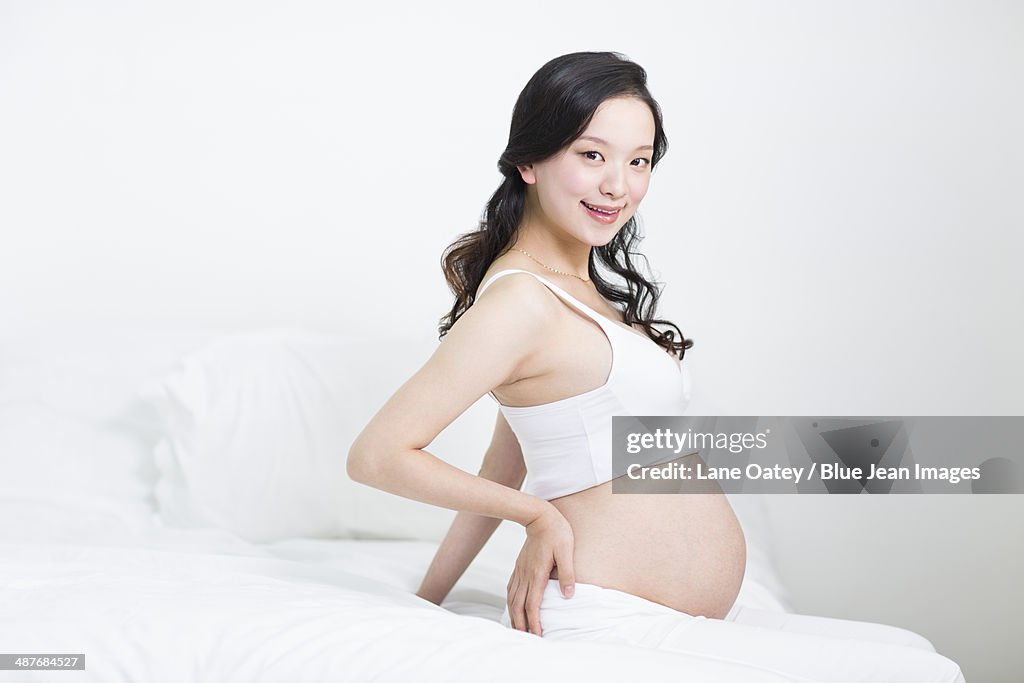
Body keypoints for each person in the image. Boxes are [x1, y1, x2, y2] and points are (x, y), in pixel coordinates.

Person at [347, 51, 966, 683]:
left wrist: (432, 595)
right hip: (608, 620)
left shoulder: (578, 291)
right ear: (528, 162)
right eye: (592, 155)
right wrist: (535, 514)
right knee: (924, 675)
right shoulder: (520, 302)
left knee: (913, 652)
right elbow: (378, 455)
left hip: (666, 618)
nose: (618, 184)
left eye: (638, 160)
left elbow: (514, 452)